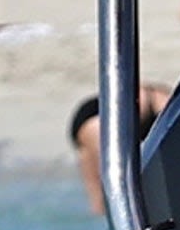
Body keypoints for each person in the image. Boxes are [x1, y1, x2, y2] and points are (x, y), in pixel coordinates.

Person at [70, 85, 172, 215]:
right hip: (104, 120)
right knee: (118, 194)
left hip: (89, 117)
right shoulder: (165, 104)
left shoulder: (158, 99)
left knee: (99, 205)